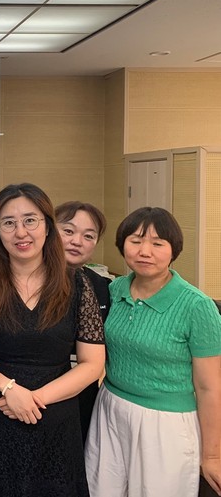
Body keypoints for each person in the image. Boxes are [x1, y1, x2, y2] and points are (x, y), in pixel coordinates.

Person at [0, 183, 105, 497]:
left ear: (48, 227)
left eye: (30, 220)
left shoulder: (77, 284)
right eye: (8, 223)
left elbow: (92, 364)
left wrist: (34, 399)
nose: (20, 232)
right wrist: (10, 389)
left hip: (56, 418)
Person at [85, 207, 221, 497]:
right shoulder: (115, 289)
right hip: (109, 408)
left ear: (174, 250)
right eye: (135, 241)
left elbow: (209, 387)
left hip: (165, 423)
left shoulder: (197, 306)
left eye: (158, 244)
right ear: (122, 245)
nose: (145, 251)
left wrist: (212, 456)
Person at [54, 201, 111, 441]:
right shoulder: (25, 282)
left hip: (83, 395)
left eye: (88, 236)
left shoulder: (102, 286)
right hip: (28, 393)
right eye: (68, 231)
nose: (77, 241)